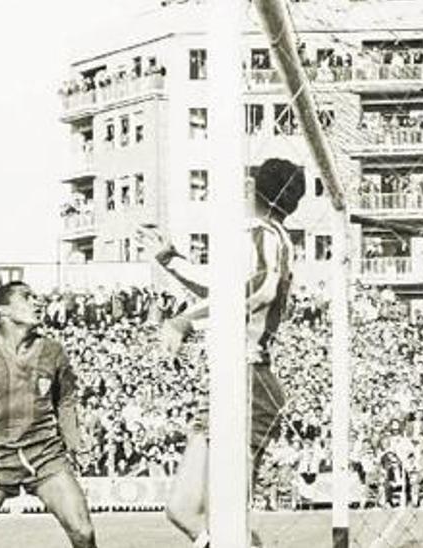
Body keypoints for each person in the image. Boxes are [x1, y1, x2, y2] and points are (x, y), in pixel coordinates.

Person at [144, 157, 306, 548]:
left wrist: (183, 321)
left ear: (253, 189)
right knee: (182, 511)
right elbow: (224, 287)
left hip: (249, 381)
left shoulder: (266, 234)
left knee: (225, 519)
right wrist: (171, 259)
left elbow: (255, 290)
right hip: (226, 383)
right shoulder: (259, 235)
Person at [0, 282, 96, 548]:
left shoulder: (53, 351)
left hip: (45, 454)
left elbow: (66, 401)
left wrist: (74, 443)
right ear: (3, 310)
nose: (37, 302)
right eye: (26, 297)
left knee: (83, 532)